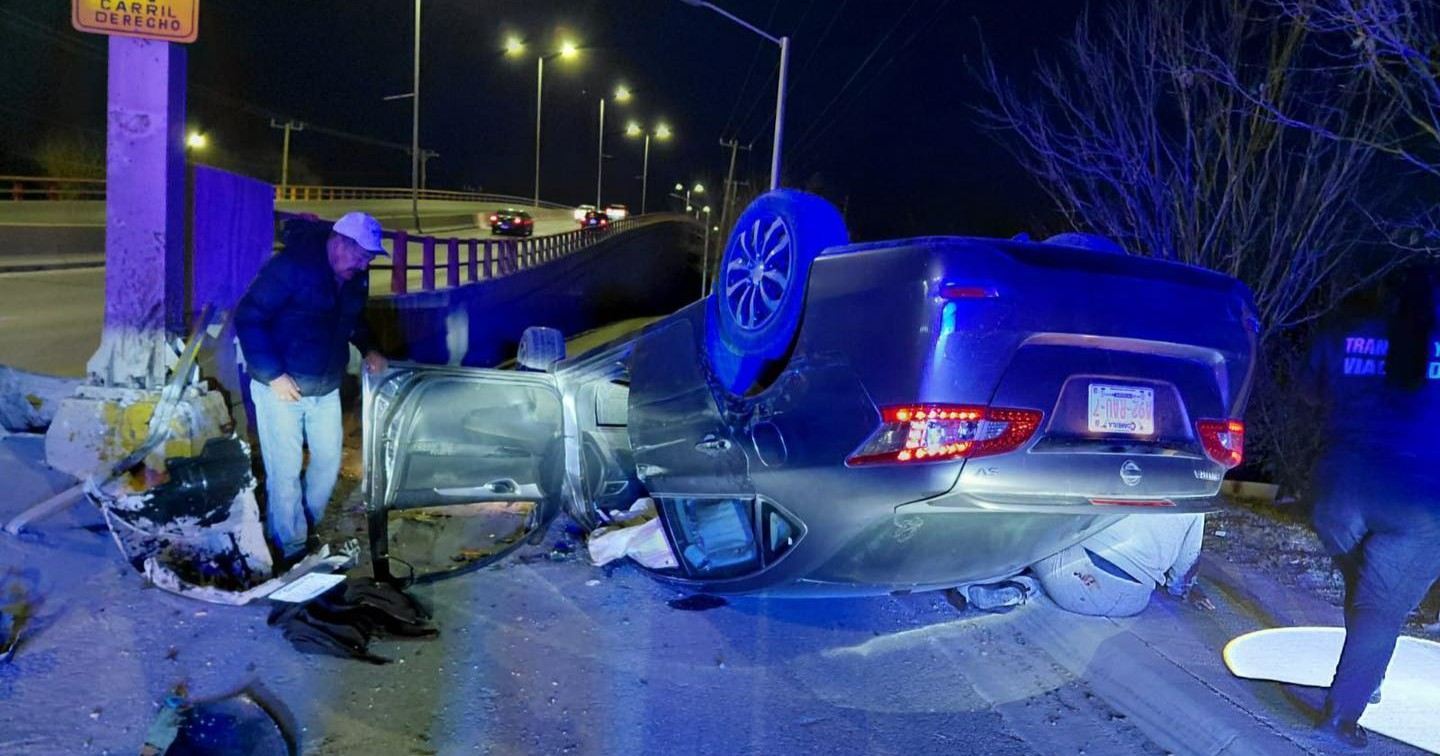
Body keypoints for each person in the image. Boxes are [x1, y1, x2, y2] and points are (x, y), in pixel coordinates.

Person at [1302, 266, 1440, 749]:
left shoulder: (1344, 328)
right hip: (1420, 502)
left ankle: (1367, 672)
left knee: (1365, 587)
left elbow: (1309, 391)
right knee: (1380, 606)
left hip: (1337, 491)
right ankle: (1340, 718)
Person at [235, 212, 389, 567]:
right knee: (285, 469)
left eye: (369, 257)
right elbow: (250, 315)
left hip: (324, 386)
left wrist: (370, 348)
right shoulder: (293, 266)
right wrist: (273, 374)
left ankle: (307, 524)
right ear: (339, 243)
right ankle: (289, 546)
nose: (365, 264)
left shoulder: (354, 278)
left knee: (328, 459)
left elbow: (354, 320)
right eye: (361, 255)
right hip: (280, 387)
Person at [1029, 513, 1214, 617]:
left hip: (1075, 582)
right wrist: (1183, 592)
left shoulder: (1125, 466)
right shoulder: (1195, 499)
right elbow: (1185, 566)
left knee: (1034, 537)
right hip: (1131, 602)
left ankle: (1023, 586)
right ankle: (1029, 586)